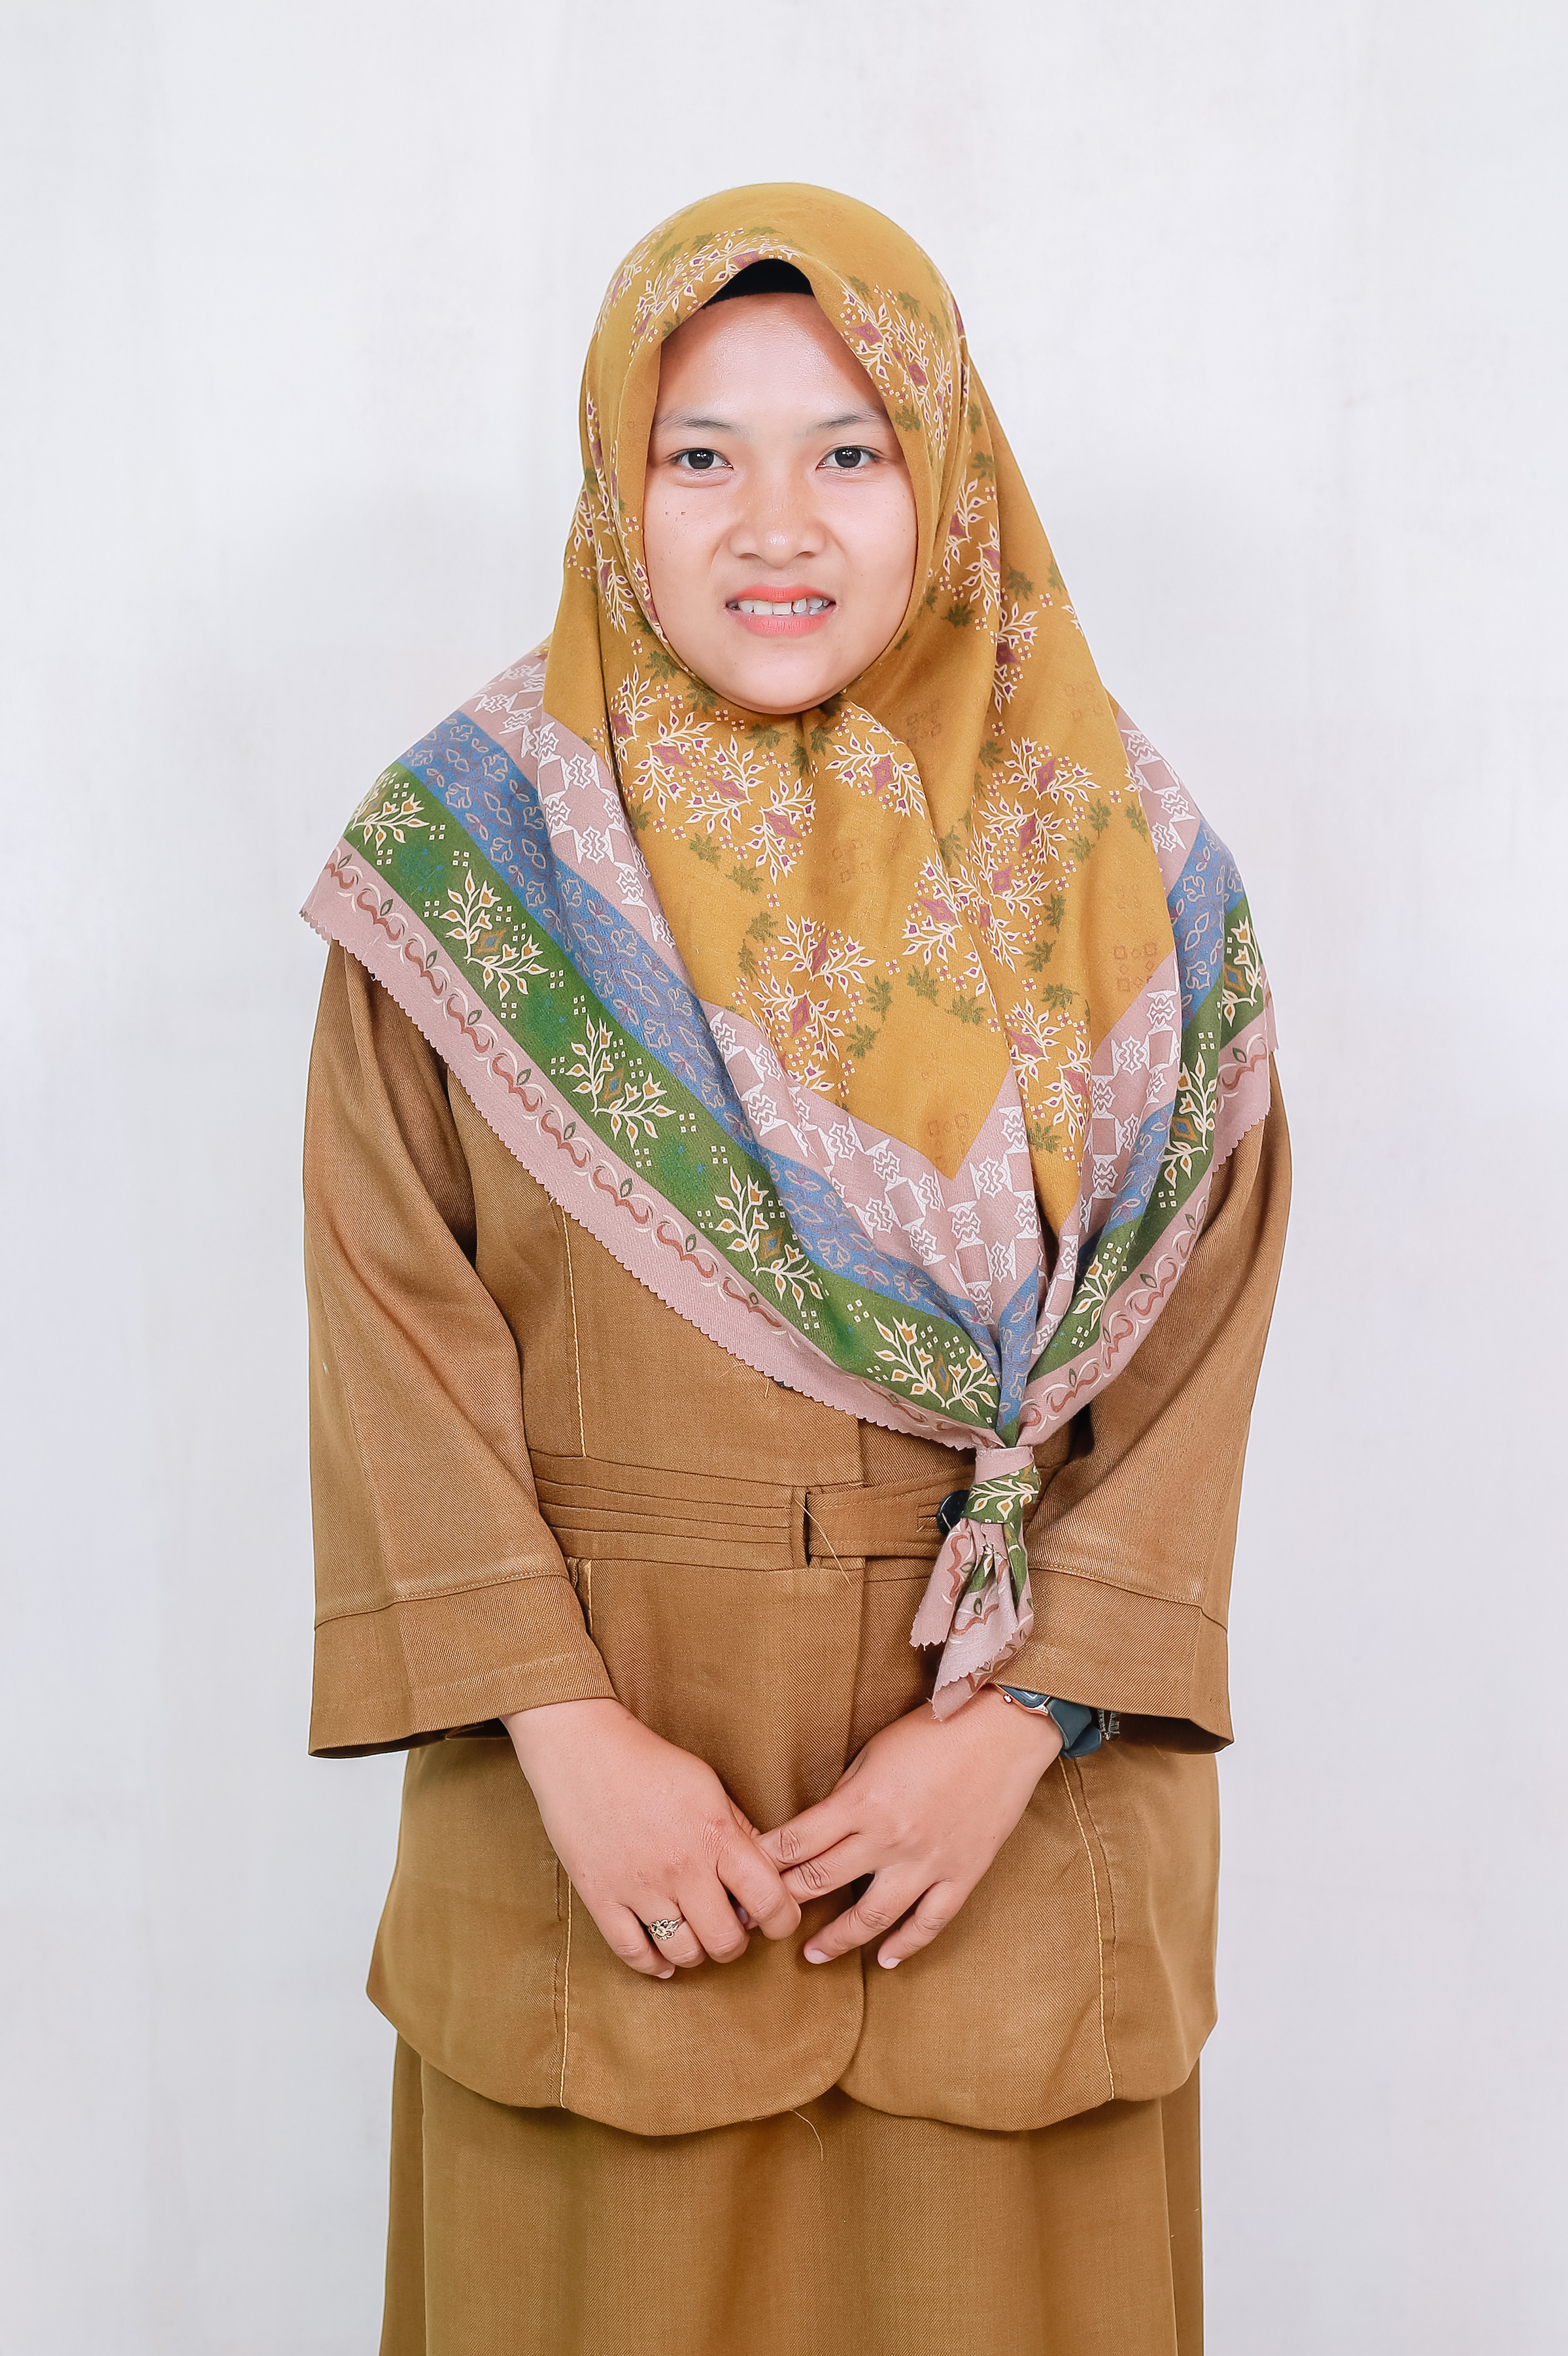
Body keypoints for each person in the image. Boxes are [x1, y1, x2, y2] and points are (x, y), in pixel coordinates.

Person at [301, 184, 1289, 2356]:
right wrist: (567, 1732)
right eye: (701, 453)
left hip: (1020, 1865)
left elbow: (1196, 1346)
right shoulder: (474, 867)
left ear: (949, 477)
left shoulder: (1125, 868)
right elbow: (392, 1325)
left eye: (850, 449)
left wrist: (1021, 1722)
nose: (778, 523)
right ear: (613, 483)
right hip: (608, 1857)